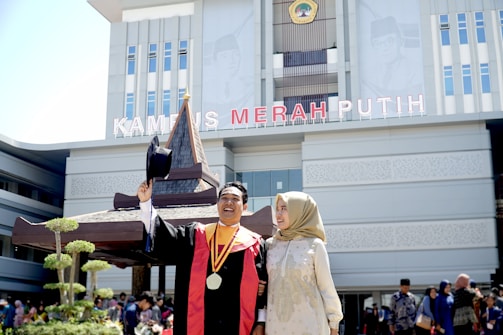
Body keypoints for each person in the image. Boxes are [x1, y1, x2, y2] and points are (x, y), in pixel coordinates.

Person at [138, 180, 267, 335]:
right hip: (196, 324)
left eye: (235, 199)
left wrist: (261, 322)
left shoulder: (255, 244)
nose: (229, 202)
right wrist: (146, 203)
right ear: (217, 204)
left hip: (236, 325)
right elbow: (165, 237)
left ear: (244, 207)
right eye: (224, 198)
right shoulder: (196, 234)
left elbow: (264, 286)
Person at [264, 191, 343, 335]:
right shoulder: (270, 245)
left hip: (311, 325)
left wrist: (334, 324)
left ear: (299, 211)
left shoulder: (315, 245)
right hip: (275, 326)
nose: (278, 214)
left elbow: (326, 287)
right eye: (278, 209)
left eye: (284, 209)